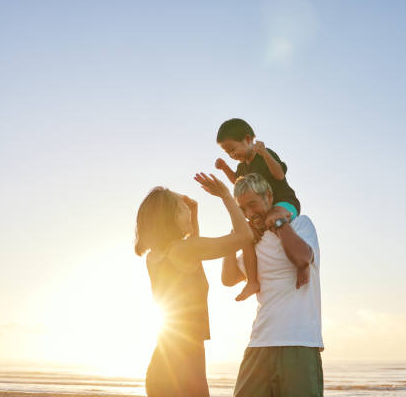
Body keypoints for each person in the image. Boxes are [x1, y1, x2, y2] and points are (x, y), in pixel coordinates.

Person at [134, 173, 253, 397]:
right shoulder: (185, 250)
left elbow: (193, 260)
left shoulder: (156, 256)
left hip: (164, 361)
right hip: (185, 363)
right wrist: (226, 195)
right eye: (183, 208)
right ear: (170, 217)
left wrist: (194, 215)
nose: (188, 210)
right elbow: (244, 236)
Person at [221, 173, 324, 397]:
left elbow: (302, 258)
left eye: (252, 204)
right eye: (243, 209)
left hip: (300, 343)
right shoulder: (254, 243)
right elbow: (229, 279)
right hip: (259, 344)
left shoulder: (301, 224)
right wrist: (235, 237)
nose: (249, 214)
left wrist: (278, 223)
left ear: (268, 196)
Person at [214, 118, 307, 301]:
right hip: (262, 213)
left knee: (273, 217)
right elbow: (239, 183)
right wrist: (225, 168)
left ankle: (302, 266)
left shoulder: (263, 154)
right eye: (227, 153)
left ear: (248, 139)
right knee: (246, 234)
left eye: (233, 149)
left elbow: (279, 174)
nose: (232, 155)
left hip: (283, 203)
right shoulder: (242, 166)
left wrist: (264, 153)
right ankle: (252, 281)